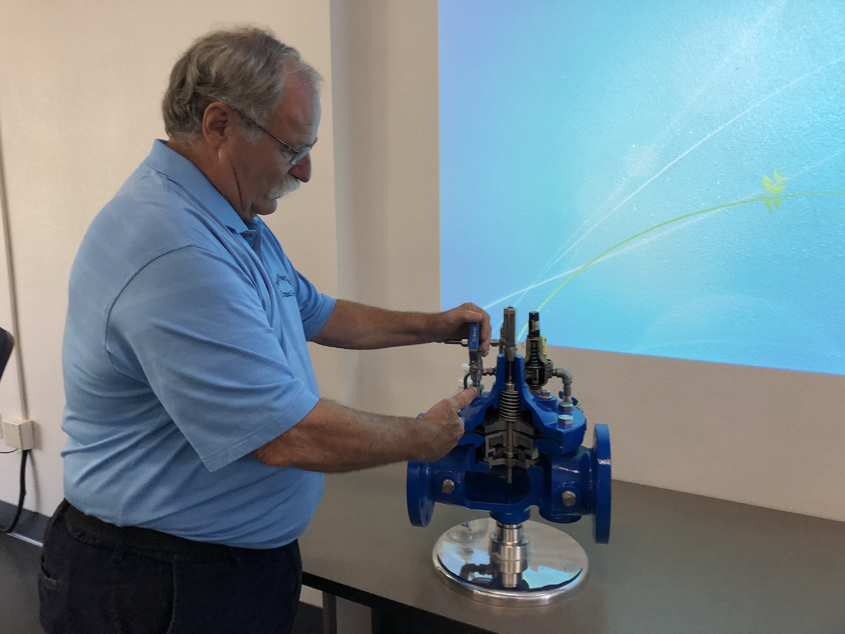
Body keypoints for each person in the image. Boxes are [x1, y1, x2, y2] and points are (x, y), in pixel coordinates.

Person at [39, 27, 491, 634]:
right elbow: (286, 436)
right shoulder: (172, 247)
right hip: (156, 580)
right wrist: (425, 436)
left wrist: (434, 326)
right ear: (219, 124)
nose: (303, 171)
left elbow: (318, 312)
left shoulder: (231, 218)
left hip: (215, 565)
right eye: (291, 148)